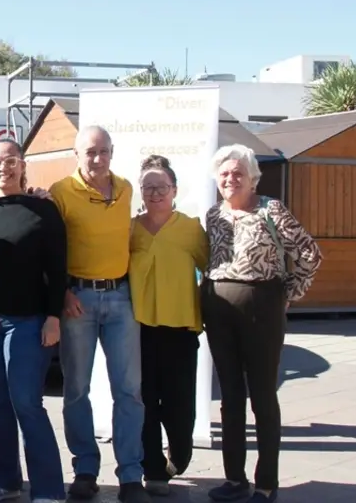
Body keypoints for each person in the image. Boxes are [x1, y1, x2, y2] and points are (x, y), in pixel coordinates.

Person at [202, 144, 321, 503]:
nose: (230, 178)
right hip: (218, 311)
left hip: (261, 310)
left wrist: (288, 294)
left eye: (238, 173)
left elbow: (310, 255)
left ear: (252, 178)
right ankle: (234, 478)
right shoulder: (212, 215)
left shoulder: (271, 210)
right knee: (230, 398)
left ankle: (266, 481)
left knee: (263, 396)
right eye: (224, 173)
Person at [0, 139, 67, 503]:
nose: (3, 167)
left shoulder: (43, 211)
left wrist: (54, 318)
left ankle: (48, 488)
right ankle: (5, 481)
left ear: (22, 165)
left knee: (27, 402)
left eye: (10, 160)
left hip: (29, 321)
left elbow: (57, 268)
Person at [48, 125, 149, 503]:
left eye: (103, 151)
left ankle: (130, 476)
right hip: (79, 300)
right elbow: (50, 249)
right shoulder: (61, 192)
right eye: (90, 152)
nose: (97, 158)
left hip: (121, 297)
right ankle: (85, 469)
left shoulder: (125, 189)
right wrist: (61, 293)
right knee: (76, 390)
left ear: (112, 152)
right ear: (77, 154)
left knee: (129, 391)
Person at [128, 155, 208, 497]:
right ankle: (153, 468)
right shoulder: (130, 228)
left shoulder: (190, 228)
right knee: (144, 401)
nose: (155, 193)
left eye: (161, 187)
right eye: (148, 187)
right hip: (138, 328)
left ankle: (180, 452)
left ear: (174, 190)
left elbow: (212, 268)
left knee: (179, 404)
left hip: (180, 328)